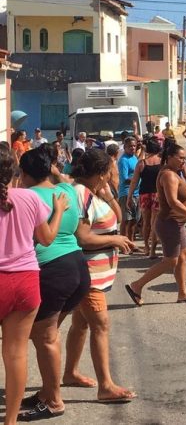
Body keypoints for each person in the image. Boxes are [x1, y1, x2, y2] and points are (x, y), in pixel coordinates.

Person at [19, 147, 90, 421]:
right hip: (76, 266)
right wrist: (55, 170)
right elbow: (65, 179)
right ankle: (47, 392)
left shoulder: (28, 196)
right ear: (50, 168)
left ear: (24, 174)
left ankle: (54, 401)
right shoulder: (69, 191)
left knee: (45, 338)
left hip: (51, 270)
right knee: (46, 335)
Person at [62, 149, 137, 404]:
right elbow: (82, 237)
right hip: (88, 273)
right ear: (102, 172)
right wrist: (114, 239)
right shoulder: (81, 195)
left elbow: (117, 217)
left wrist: (107, 195)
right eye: (111, 171)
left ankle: (70, 372)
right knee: (101, 325)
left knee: (81, 324)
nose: (114, 175)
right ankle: (105, 385)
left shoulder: (93, 193)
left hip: (98, 273)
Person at [1, 148, 68, 425]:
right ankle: (11, 421)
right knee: (16, 353)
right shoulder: (29, 198)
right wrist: (59, 210)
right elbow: (47, 238)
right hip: (25, 281)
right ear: (14, 171)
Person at [125, 144, 186, 306]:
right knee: (170, 261)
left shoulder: (175, 172)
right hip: (169, 223)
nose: (183, 161)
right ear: (170, 157)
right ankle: (137, 285)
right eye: (180, 158)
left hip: (177, 223)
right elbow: (172, 201)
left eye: (185, 158)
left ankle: (183, 293)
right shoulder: (168, 175)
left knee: (183, 255)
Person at [127, 138, 163, 257]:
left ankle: (146, 247)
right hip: (158, 194)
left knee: (146, 222)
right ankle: (153, 250)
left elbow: (134, 182)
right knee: (155, 223)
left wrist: (129, 196)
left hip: (144, 194)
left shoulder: (141, 163)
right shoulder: (162, 162)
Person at [117, 137, 139, 241]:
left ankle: (131, 242)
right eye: (130, 146)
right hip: (126, 193)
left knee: (134, 220)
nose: (132, 148)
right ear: (125, 147)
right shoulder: (123, 160)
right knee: (126, 220)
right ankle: (123, 244)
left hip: (137, 192)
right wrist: (137, 178)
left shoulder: (135, 158)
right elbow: (125, 178)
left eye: (134, 146)